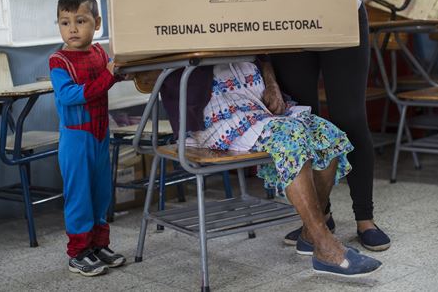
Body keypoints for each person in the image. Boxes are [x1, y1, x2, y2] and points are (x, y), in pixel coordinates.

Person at [233, 0, 391, 252]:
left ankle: (365, 217)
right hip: (290, 32)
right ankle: (319, 219)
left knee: (349, 116)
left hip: (340, 18)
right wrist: (268, 71)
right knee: (302, 121)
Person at [161, 62, 382, 277]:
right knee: (290, 138)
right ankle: (325, 246)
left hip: (256, 105)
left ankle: (310, 234)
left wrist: (271, 82)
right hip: (217, 114)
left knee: (328, 136)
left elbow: (264, 52)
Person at [49, 0, 126, 276]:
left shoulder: (98, 52)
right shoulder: (58, 61)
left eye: (80, 21)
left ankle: (98, 246)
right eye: (65, 22)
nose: (72, 29)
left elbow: (105, 81)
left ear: (97, 22)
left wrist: (119, 71)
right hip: (75, 138)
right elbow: (71, 95)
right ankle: (78, 252)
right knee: (79, 194)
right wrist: (110, 75)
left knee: (100, 192)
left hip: (100, 134)